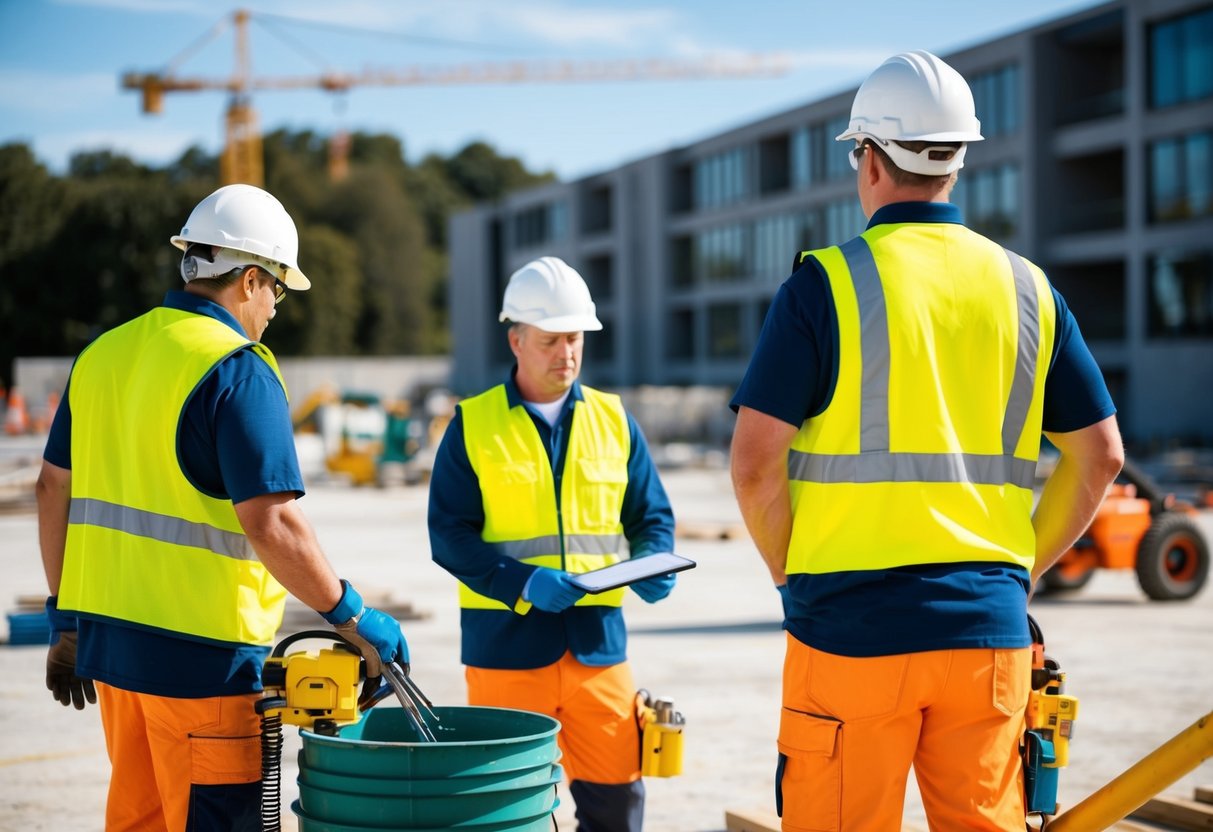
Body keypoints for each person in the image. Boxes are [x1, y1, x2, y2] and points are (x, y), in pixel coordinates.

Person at [729, 51, 1123, 832]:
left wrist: (791, 572)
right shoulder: (1027, 288)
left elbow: (752, 464)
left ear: (868, 157)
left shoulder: (825, 284)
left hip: (849, 636)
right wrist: (1018, 571)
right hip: (986, 642)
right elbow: (1100, 455)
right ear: (958, 159)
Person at [36, 183, 410, 831]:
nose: (274, 309)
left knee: (141, 819)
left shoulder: (103, 354)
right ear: (248, 279)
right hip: (203, 670)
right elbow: (272, 522)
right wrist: (350, 614)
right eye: (277, 291)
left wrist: (65, 620)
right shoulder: (236, 369)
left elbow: (51, 489)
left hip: (114, 657)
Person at [428, 256, 677, 832]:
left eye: (575, 338)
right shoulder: (473, 425)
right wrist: (522, 583)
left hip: (599, 651)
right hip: (506, 653)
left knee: (618, 805)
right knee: (507, 813)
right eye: (550, 340)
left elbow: (652, 516)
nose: (566, 353)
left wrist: (654, 563)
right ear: (516, 339)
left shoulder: (616, 421)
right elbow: (449, 536)